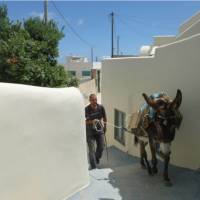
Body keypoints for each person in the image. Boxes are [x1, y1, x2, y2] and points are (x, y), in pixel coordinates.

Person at [85, 94, 107, 169]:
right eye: (93, 100)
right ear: (90, 101)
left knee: (101, 146)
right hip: (90, 131)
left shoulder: (101, 107)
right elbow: (84, 122)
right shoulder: (86, 109)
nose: (95, 101)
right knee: (91, 150)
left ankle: (97, 157)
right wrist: (92, 121)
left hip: (99, 129)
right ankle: (93, 166)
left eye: (96, 99)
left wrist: (105, 127)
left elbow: (104, 118)